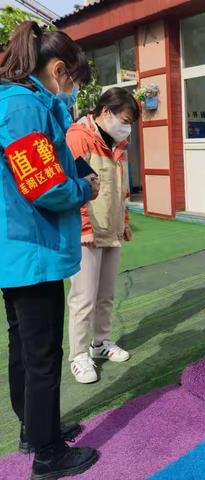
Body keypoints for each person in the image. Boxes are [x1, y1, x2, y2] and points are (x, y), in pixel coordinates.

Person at [0, 21, 100, 479]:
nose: (70, 91)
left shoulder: (20, 100)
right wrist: (85, 188)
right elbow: (45, 185)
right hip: (32, 252)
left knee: (23, 348)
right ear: (57, 69)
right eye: (71, 80)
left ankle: (33, 430)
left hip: (17, 251)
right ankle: (48, 454)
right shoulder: (21, 106)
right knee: (41, 356)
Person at [66, 87, 140, 384]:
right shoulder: (78, 138)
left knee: (106, 293)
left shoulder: (119, 143)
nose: (127, 126)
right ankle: (78, 355)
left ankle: (101, 343)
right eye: (124, 119)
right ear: (105, 112)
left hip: (110, 229)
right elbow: (75, 186)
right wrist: (84, 227)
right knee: (83, 297)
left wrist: (123, 222)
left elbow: (119, 188)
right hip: (86, 231)